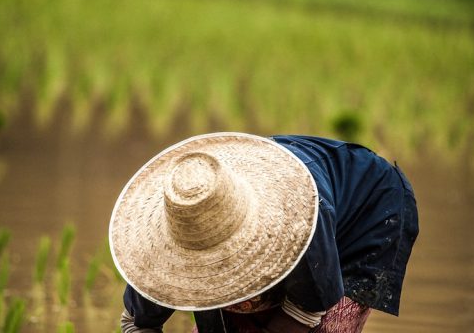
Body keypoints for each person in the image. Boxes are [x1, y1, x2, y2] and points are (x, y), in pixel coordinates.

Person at [109, 132, 419, 333]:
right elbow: (137, 324)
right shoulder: (159, 254)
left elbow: (308, 309)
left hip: (365, 214)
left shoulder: (299, 221)